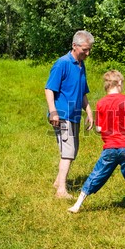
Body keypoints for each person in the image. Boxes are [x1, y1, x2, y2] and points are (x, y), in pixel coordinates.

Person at [68, 70, 125, 220]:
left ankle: (77, 205)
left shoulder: (101, 103)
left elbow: (99, 128)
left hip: (110, 147)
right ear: (119, 83)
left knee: (97, 175)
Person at [45, 30, 94, 199]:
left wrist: (89, 111)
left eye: (89, 50)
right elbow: (49, 89)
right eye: (85, 49)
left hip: (74, 114)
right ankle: (61, 191)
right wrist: (53, 112)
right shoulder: (62, 63)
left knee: (73, 151)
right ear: (74, 46)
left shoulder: (81, 65)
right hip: (62, 114)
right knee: (68, 151)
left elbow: (83, 92)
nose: (87, 53)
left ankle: (58, 182)